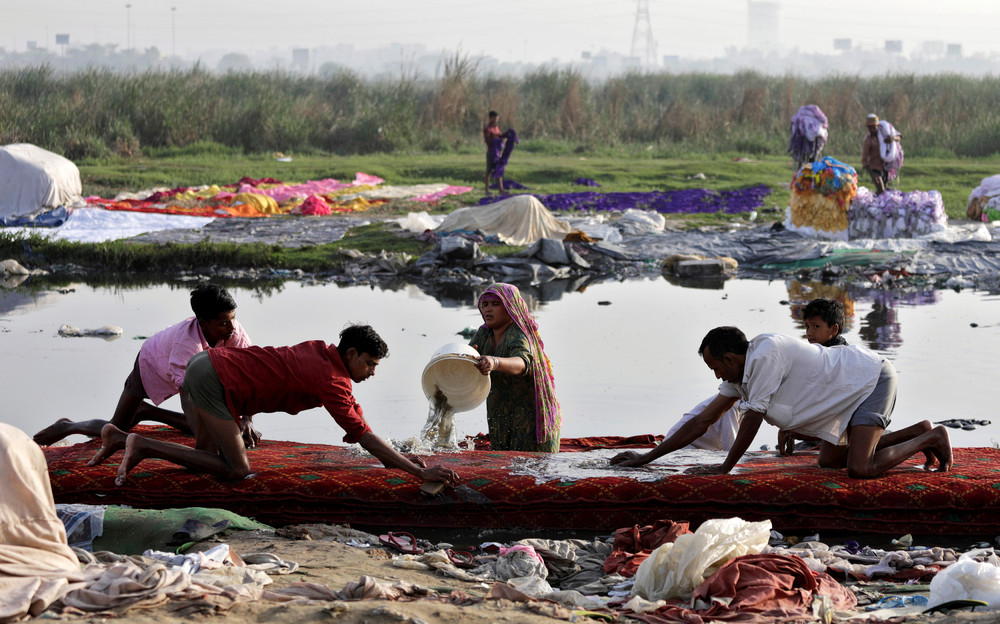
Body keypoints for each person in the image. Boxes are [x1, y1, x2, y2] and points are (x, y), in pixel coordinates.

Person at [89, 324, 460, 490]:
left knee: (203, 459)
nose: (372, 373)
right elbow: (361, 434)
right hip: (213, 378)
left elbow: (355, 414)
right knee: (236, 468)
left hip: (207, 365)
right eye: (369, 365)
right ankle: (142, 444)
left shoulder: (322, 352)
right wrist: (416, 473)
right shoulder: (329, 379)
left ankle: (122, 436)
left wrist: (400, 460)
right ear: (350, 354)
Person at [690, 326, 952, 478]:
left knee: (861, 468)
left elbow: (753, 418)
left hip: (872, 379)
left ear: (729, 359)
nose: (717, 375)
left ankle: (930, 438)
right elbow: (703, 420)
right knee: (830, 461)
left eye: (716, 367)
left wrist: (726, 468)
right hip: (845, 392)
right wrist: (651, 457)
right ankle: (918, 431)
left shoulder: (764, 356)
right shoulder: (740, 374)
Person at [34, 284, 253, 449]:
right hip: (151, 362)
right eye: (223, 323)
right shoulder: (186, 345)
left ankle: (146, 411)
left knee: (209, 426)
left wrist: (246, 419)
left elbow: (247, 377)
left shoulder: (235, 332)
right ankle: (69, 426)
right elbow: (189, 395)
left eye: (233, 319)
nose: (232, 327)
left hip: (195, 373)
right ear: (203, 322)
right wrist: (206, 440)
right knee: (116, 427)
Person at [469, 283, 561, 452]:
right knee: (503, 460)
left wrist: (495, 362)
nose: (488, 309)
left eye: (496, 304)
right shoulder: (484, 333)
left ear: (510, 307)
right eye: (485, 304)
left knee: (529, 467)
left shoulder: (518, 334)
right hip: (500, 409)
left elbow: (522, 363)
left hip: (529, 413)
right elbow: (467, 356)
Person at [861, 113, 903, 195]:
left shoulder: (885, 133)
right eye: (870, 128)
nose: (872, 129)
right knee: (882, 190)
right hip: (875, 168)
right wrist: (872, 174)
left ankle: (876, 203)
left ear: (877, 126)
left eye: (874, 127)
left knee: (883, 191)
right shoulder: (867, 140)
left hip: (885, 167)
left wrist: (892, 139)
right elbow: (864, 160)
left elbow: (899, 137)